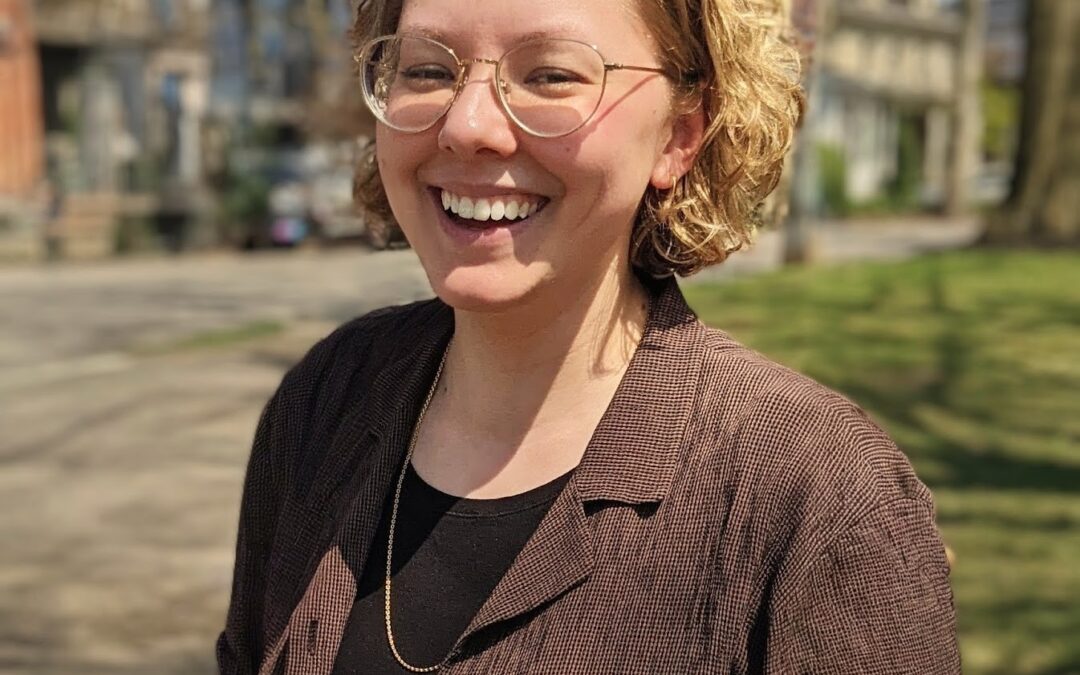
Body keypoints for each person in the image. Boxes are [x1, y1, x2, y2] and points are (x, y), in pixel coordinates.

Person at [217, 0, 961, 672]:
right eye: (427, 68)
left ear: (679, 135)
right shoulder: (329, 398)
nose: (468, 123)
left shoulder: (814, 497)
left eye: (549, 74)